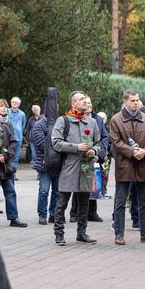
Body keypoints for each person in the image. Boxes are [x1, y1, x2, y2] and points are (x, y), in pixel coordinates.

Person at [109, 89, 145, 245]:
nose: (136, 103)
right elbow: (116, 143)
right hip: (124, 165)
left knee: (144, 201)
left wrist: (144, 151)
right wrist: (132, 151)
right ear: (125, 102)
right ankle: (119, 234)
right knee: (120, 201)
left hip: (142, 163)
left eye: (137, 100)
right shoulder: (116, 120)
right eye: (132, 100)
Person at [51, 91, 102, 245]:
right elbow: (56, 142)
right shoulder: (63, 120)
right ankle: (59, 234)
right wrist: (76, 147)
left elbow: (99, 142)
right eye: (81, 100)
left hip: (86, 168)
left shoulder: (92, 122)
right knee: (62, 203)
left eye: (86, 100)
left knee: (84, 203)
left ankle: (82, 233)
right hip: (69, 167)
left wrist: (95, 151)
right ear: (73, 103)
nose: (85, 102)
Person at [69, 96, 109, 222]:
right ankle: (74, 213)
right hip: (79, 157)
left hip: (95, 157)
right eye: (86, 103)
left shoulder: (97, 119)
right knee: (78, 187)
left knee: (93, 186)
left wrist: (99, 154)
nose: (88, 105)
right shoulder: (73, 118)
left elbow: (104, 137)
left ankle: (92, 213)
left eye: (90, 103)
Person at [30, 88, 60, 225]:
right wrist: (58, 146)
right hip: (44, 164)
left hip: (58, 164)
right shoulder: (39, 125)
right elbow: (41, 144)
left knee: (57, 192)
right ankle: (42, 214)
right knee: (44, 191)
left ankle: (53, 214)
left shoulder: (60, 123)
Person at [8, 96, 26, 169]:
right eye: (13, 102)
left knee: (16, 156)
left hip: (18, 138)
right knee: (9, 154)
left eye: (16, 102)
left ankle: (13, 172)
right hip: (9, 137)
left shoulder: (22, 114)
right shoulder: (7, 111)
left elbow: (23, 125)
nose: (14, 103)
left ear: (19, 104)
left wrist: (19, 131)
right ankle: (8, 171)